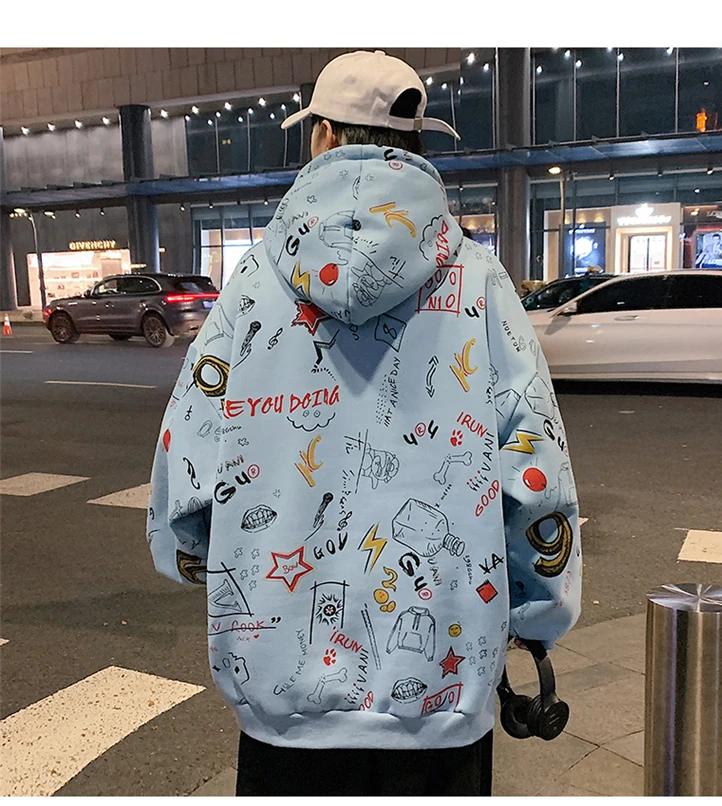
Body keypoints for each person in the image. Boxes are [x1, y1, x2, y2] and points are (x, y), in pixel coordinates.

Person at [147, 49, 582, 797]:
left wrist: (206, 565)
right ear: (415, 144)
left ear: (321, 136)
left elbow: (185, 469)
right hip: (441, 700)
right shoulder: (479, 282)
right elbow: (535, 468)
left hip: (281, 701)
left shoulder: (253, 284)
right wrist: (539, 613)